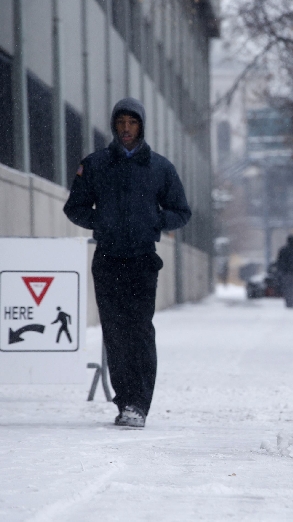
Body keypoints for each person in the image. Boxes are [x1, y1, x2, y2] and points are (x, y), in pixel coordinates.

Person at [64, 97, 191, 428]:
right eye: (120, 122)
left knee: (140, 331)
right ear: (113, 125)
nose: (125, 129)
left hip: (142, 261)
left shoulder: (160, 168)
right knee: (115, 333)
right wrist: (101, 221)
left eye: (132, 123)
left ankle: (140, 403)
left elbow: (181, 211)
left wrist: (155, 221)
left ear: (141, 126)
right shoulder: (95, 165)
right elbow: (74, 207)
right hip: (106, 259)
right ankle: (125, 403)